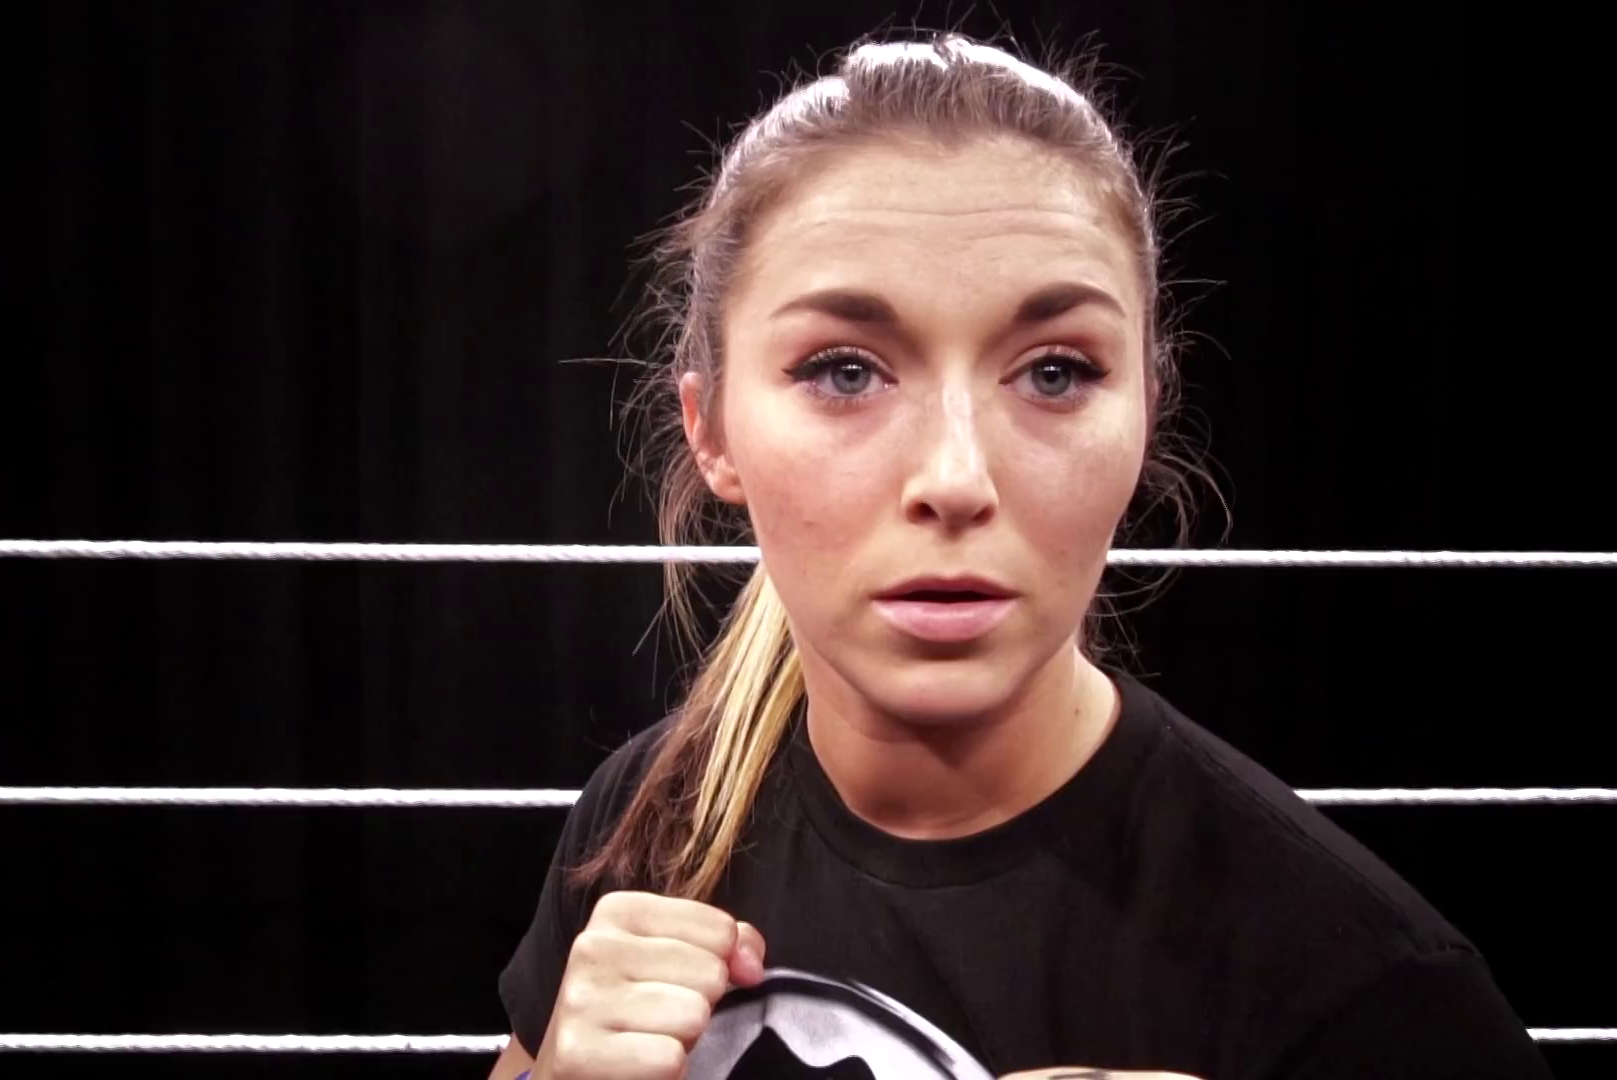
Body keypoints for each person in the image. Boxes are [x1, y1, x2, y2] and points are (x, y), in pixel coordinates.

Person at [488, 32, 1551, 1080]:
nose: (956, 477)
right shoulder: (654, 819)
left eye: (1054, 372)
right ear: (711, 429)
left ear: (1148, 411)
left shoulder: (1364, 996)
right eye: (845, 371)